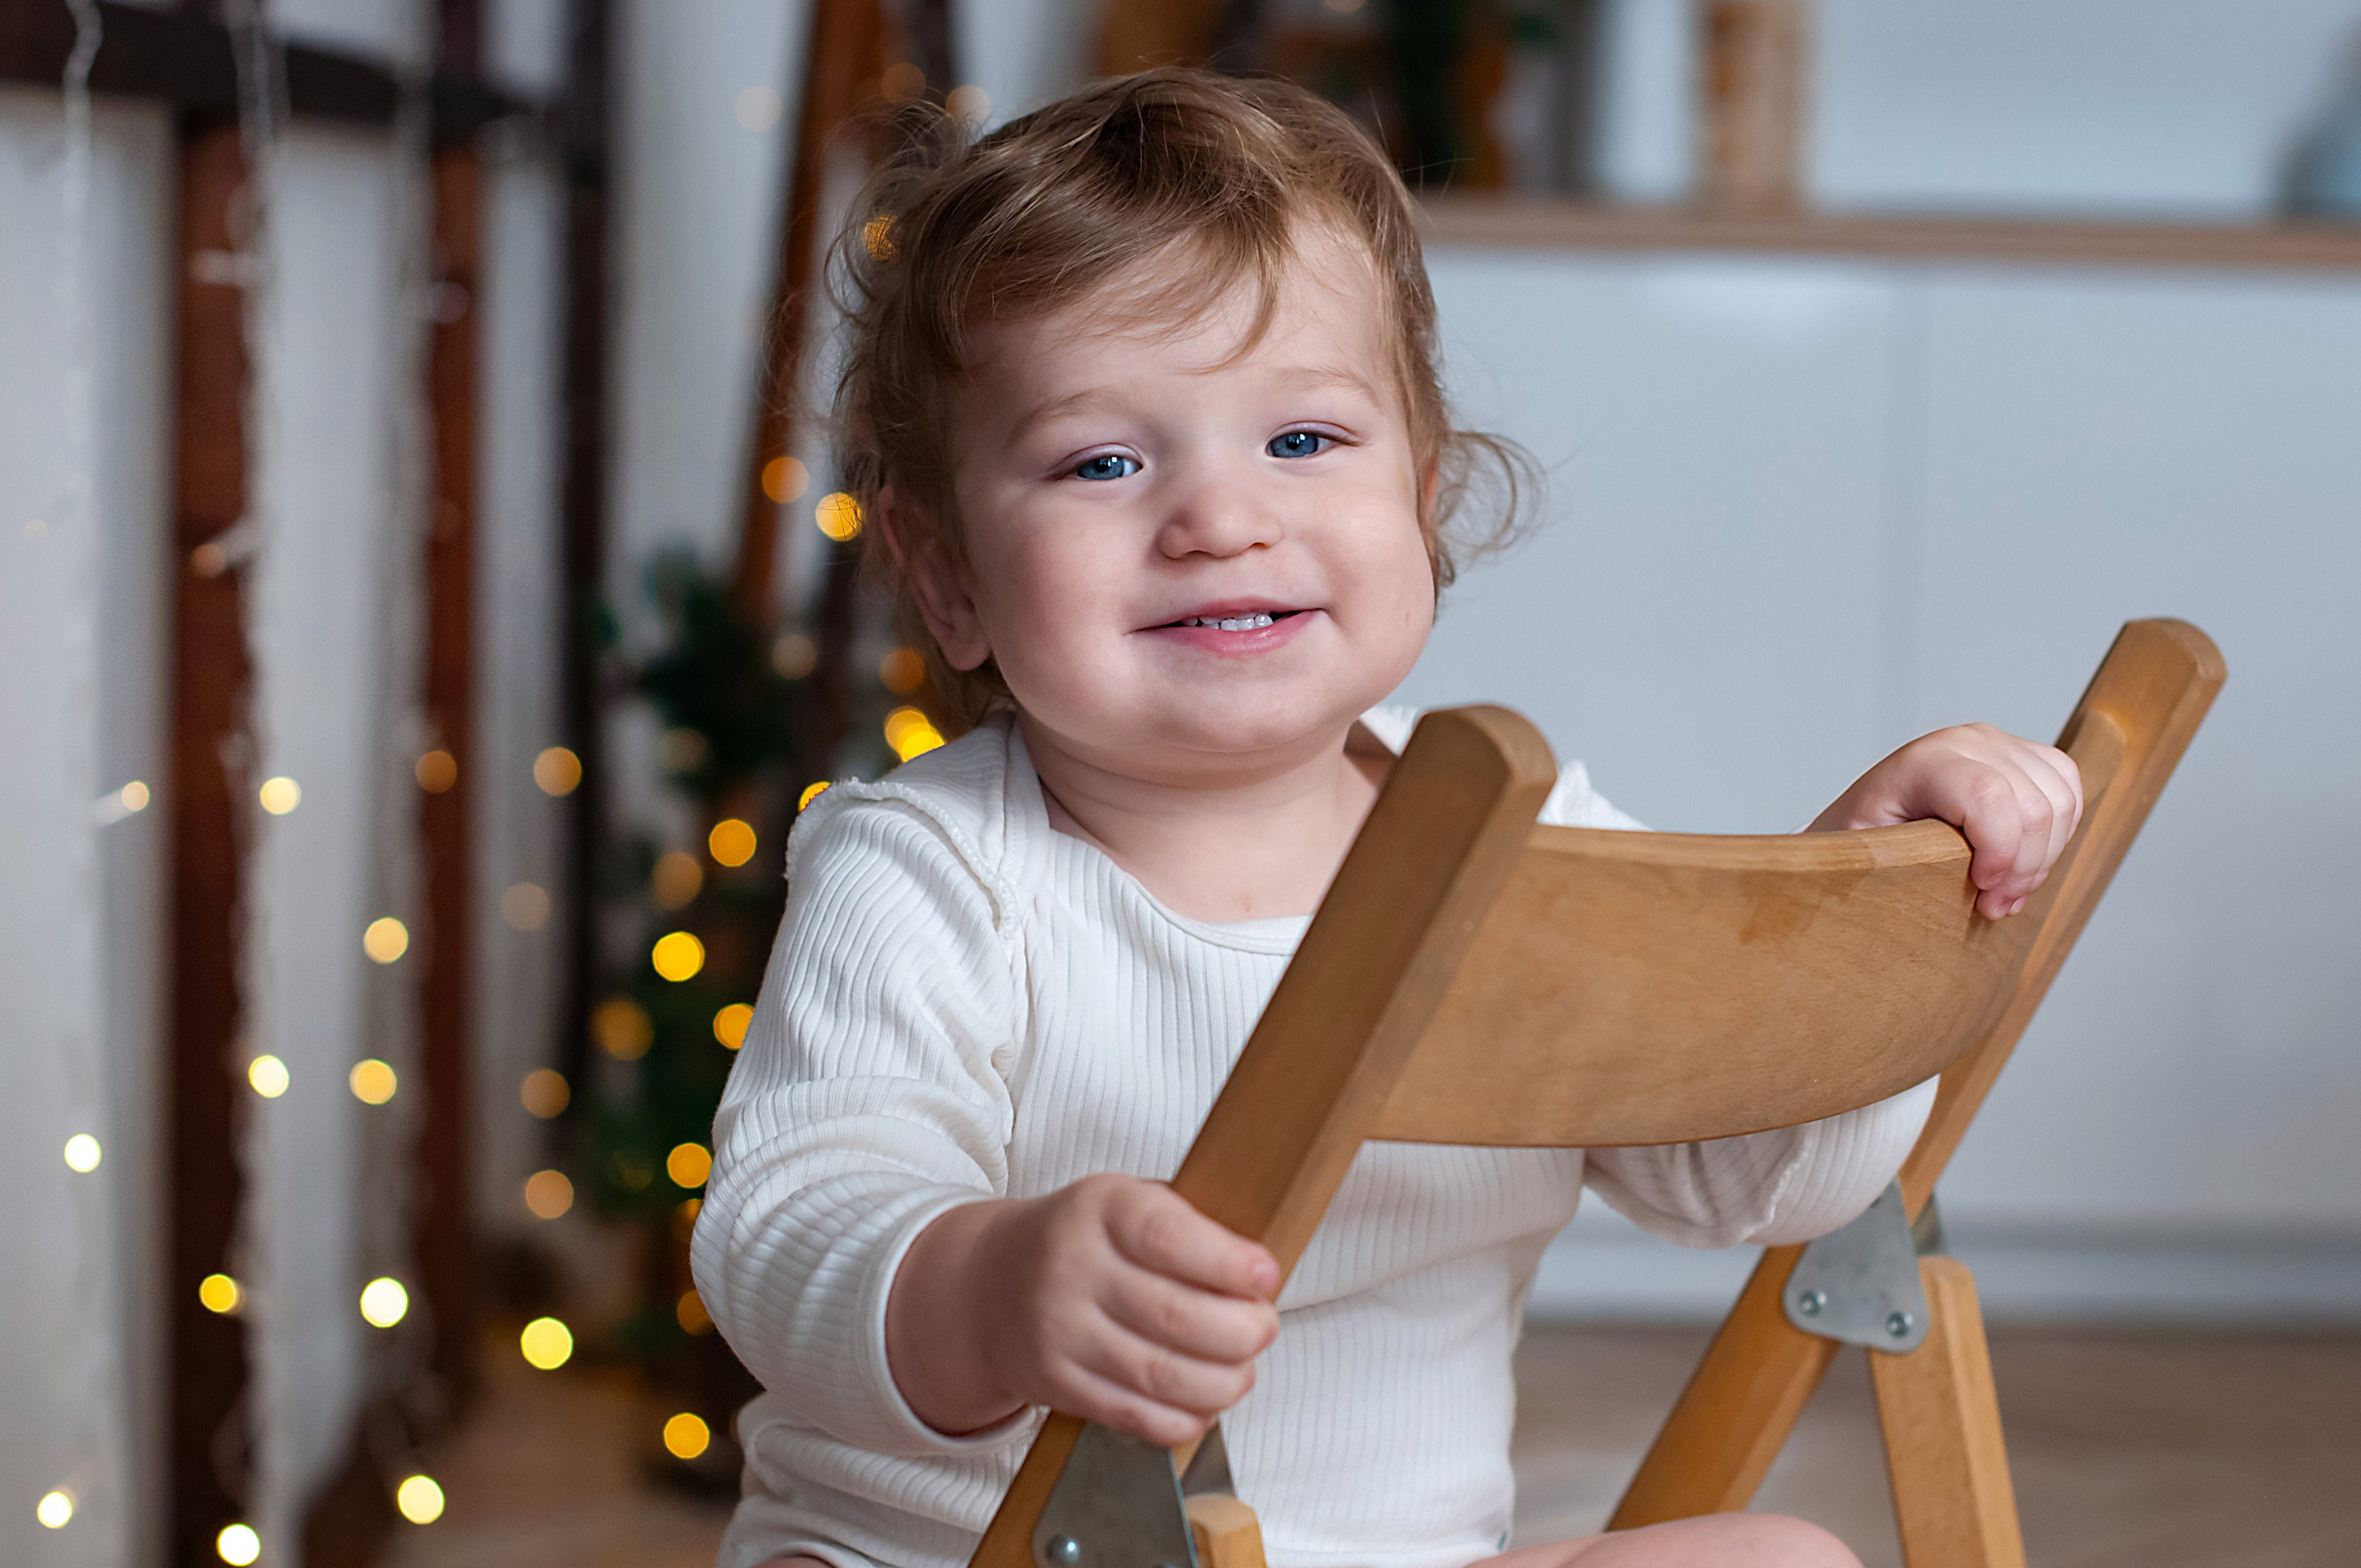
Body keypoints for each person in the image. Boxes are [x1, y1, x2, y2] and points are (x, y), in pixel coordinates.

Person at [693, 68, 2082, 1568]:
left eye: (1303, 442)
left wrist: (1859, 918)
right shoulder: (931, 871)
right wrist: (994, 1285)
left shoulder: (1510, 834)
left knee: (1784, 1562)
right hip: (965, 1551)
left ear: (1421, 496)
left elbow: (1751, 1179)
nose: (1221, 517)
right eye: (1104, 460)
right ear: (948, 573)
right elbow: (785, 1238)